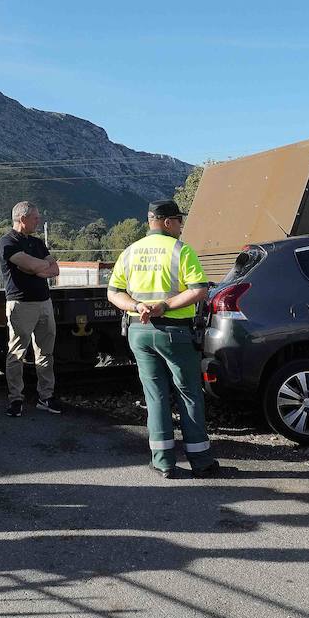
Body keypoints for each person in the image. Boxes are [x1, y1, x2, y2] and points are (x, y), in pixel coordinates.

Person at [106, 200, 226, 480]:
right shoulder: (180, 250)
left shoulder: (130, 252)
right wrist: (164, 306)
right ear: (168, 222)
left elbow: (113, 293)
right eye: (179, 222)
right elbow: (199, 290)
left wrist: (137, 306)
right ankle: (201, 461)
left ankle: (163, 462)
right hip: (174, 332)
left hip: (139, 330)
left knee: (155, 396)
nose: (181, 228)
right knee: (188, 394)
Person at [0, 201, 61, 417]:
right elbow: (41, 266)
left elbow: (54, 270)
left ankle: (46, 396)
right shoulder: (7, 242)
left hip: (44, 303)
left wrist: (33, 267)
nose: (39, 221)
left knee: (45, 353)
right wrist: (38, 266)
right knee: (16, 353)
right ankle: (16, 399)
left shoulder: (36, 242)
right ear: (22, 219)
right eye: (35, 218)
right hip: (20, 304)